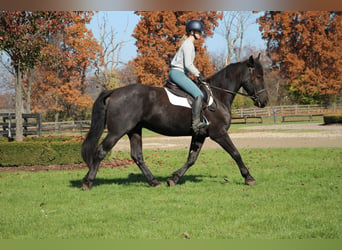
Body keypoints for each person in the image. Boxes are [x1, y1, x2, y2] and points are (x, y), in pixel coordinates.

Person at [169, 20, 207, 134]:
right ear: (192, 32)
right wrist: (198, 74)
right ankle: (196, 124)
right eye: (199, 32)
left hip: (179, 73)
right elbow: (188, 65)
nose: (201, 34)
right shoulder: (188, 44)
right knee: (199, 94)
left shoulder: (187, 44)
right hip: (177, 73)